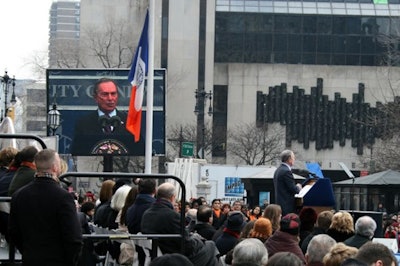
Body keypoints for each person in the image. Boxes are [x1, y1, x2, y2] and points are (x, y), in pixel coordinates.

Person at [8, 149, 83, 265]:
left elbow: (13, 232)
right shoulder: (64, 197)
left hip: (30, 258)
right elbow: (73, 237)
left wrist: (27, 252)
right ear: (55, 167)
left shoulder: (19, 196)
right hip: (58, 259)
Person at [141, 182, 220, 266]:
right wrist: (197, 239)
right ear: (172, 197)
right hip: (176, 258)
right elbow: (188, 247)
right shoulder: (172, 215)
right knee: (211, 246)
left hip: (160, 254)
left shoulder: (147, 214)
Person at [71, 77, 144, 155]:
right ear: (95, 97)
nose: (110, 98)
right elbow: (77, 152)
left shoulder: (130, 122)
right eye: (105, 94)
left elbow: (140, 151)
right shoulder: (84, 123)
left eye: (113, 94)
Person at [126, 178, 156, 266]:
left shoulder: (130, 209)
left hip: (140, 250)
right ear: (154, 190)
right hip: (153, 251)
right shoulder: (154, 207)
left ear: (138, 190)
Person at [273, 150, 302, 215]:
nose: (294, 159)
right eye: (293, 158)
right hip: (287, 207)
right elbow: (294, 189)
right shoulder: (286, 172)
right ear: (289, 159)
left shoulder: (278, 170)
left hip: (280, 205)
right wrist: (298, 187)